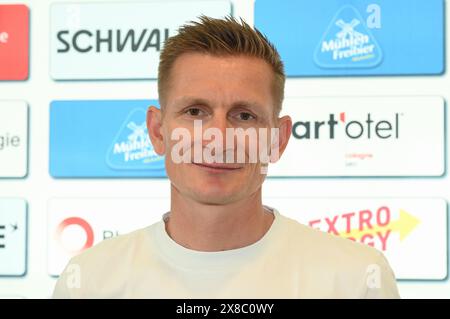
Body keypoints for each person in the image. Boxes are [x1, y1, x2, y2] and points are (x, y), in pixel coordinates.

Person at [53, 15, 400, 298]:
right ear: (158, 131)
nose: (218, 139)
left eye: (244, 116)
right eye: (195, 111)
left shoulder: (355, 280)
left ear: (277, 140)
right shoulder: (89, 282)